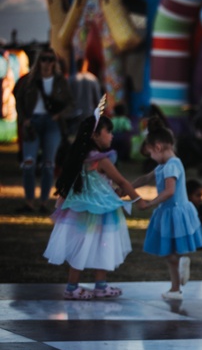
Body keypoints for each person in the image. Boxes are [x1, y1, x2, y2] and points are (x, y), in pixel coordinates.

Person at [44, 110, 140, 300]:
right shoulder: (101, 160)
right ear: (95, 135)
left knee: (82, 244)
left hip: (81, 209)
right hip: (101, 211)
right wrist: (139, 200)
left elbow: (100, 185)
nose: (111, 135)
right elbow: (122, 182)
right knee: (103, 243)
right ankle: (97, 285)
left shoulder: (79, 157)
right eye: (108, 131)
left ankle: (74, 286)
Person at [132, 118, 202, 301]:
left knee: (170, 251)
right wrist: (125, 188)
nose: (151, 158)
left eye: (150, 153)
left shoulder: (171, 165)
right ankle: (175, 288)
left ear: (157, 147)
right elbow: (145, 178)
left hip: (173, 212)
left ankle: (179, 271)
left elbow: (169, 191)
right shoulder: (164, 165)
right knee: (169, 253)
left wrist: (149, 203)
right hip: (172, 212)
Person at [14, 48, 74, 213]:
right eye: (44, 59)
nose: (47, 63)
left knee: (49, 164)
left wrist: (59, 115)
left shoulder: (60, 81)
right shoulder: (29, 80)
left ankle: (43, 203)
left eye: (50, 60)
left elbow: (70, 103)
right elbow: (18, 99)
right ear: (38, 62)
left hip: (52, 124)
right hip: (32, 122)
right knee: (28, 163)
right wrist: (24, 119)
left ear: (55, 63)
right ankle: (29, 202)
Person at [66, 63, 101, 139]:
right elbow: (98, 100)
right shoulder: (93, 79)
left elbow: (66, 99)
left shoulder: (71, 79)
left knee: (74, 140)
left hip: (74, 115)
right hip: (89, 113)